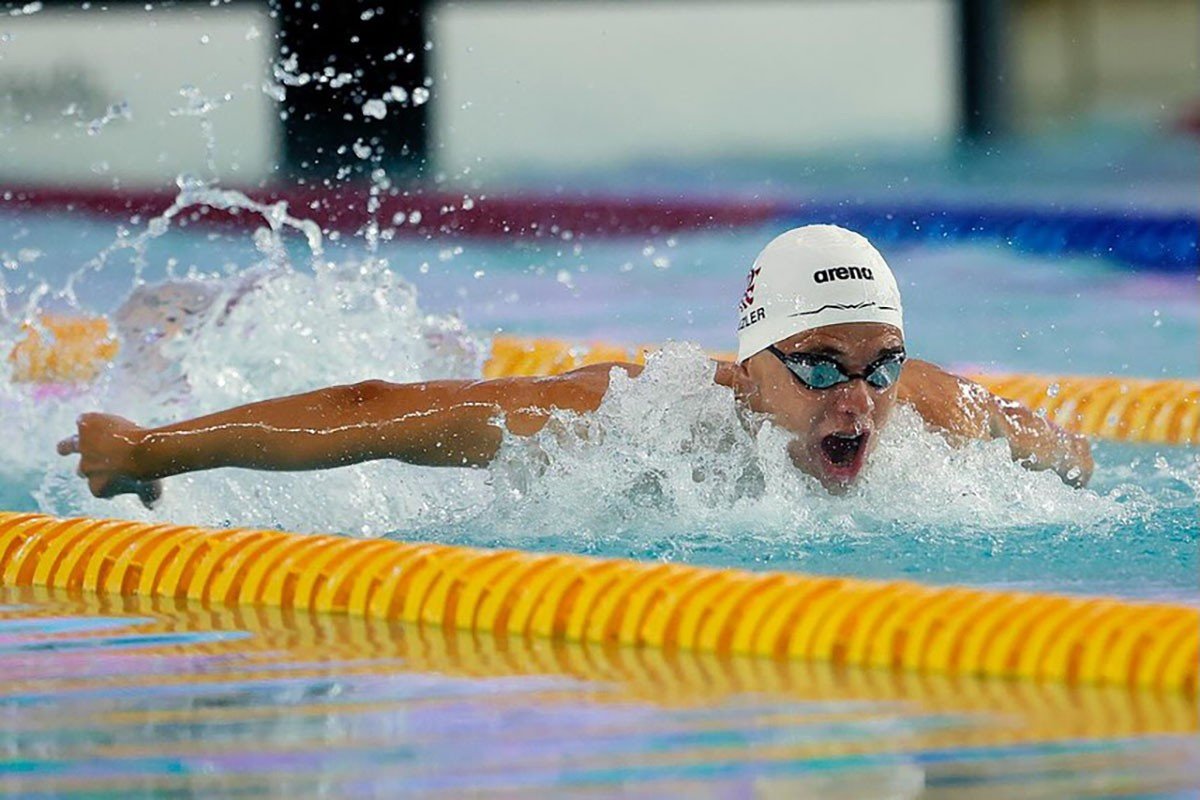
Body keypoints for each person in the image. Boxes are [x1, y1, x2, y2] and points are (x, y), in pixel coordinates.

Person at [57, 225, 1093, 507]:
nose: (860, 401)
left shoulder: (926, 410)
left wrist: (1066, 459)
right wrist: (150, 446)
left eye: (882, 365)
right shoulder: (632, 417)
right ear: (753, 361)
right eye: (821, 366)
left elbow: (1061, 452)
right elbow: (373, 410)